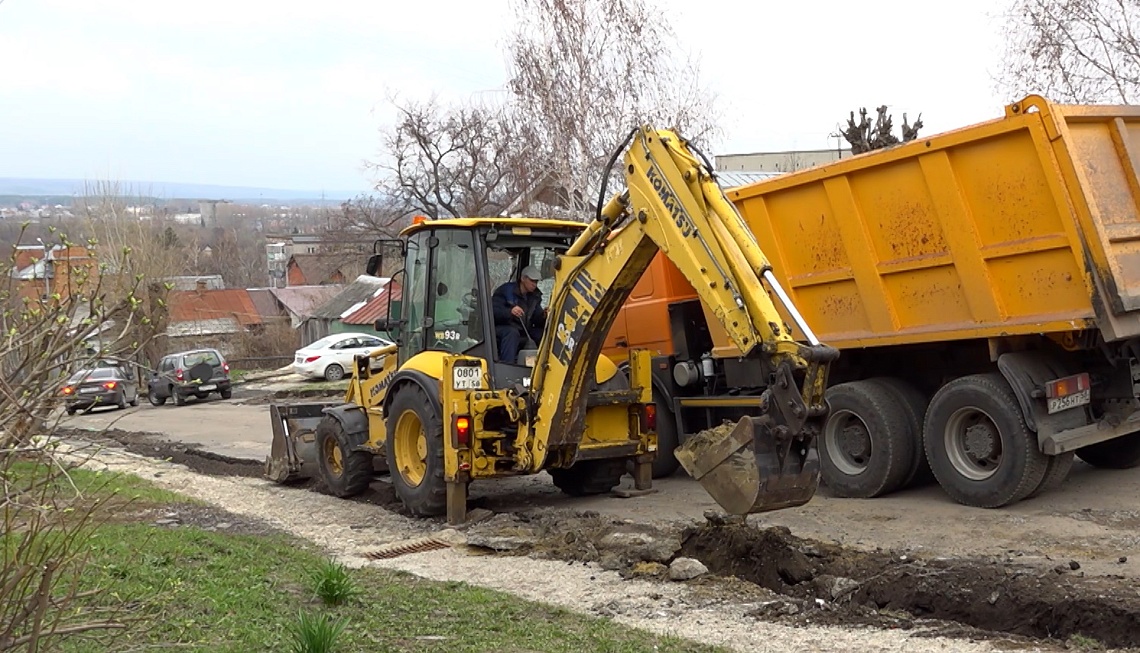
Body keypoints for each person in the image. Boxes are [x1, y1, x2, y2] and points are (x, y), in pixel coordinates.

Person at [492, 265, 547, 363]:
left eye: (536, 282)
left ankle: (541, 365)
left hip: (523, 329)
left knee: (543, 334)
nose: (534, 284)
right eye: (532, 281)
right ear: (523, 278)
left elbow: (535, 318)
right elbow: (494, 312)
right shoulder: (505, 292)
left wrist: (543, 315)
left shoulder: (534, 297)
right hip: (502, 327)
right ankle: (507, 365)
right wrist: (510, 312)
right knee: (511, 333)